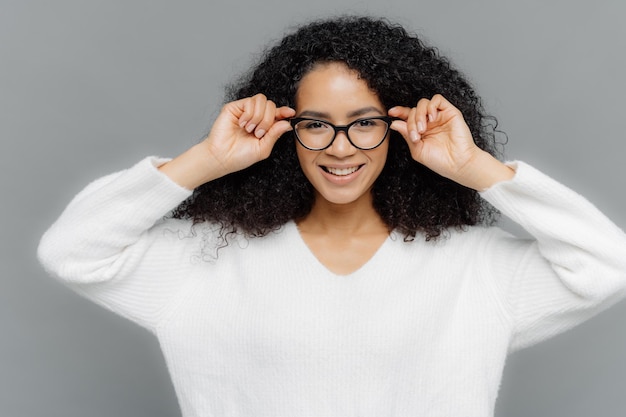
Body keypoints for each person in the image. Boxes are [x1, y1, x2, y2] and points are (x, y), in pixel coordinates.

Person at [38, 16, 626, 417]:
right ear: (285, 131)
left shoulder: (474, 268)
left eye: (365, 122)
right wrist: (208, 159)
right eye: (315, 123)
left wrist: (473, 166)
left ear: (399, 129)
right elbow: (72, 252)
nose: (340, 147)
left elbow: (605, 266)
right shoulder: (206, 259)